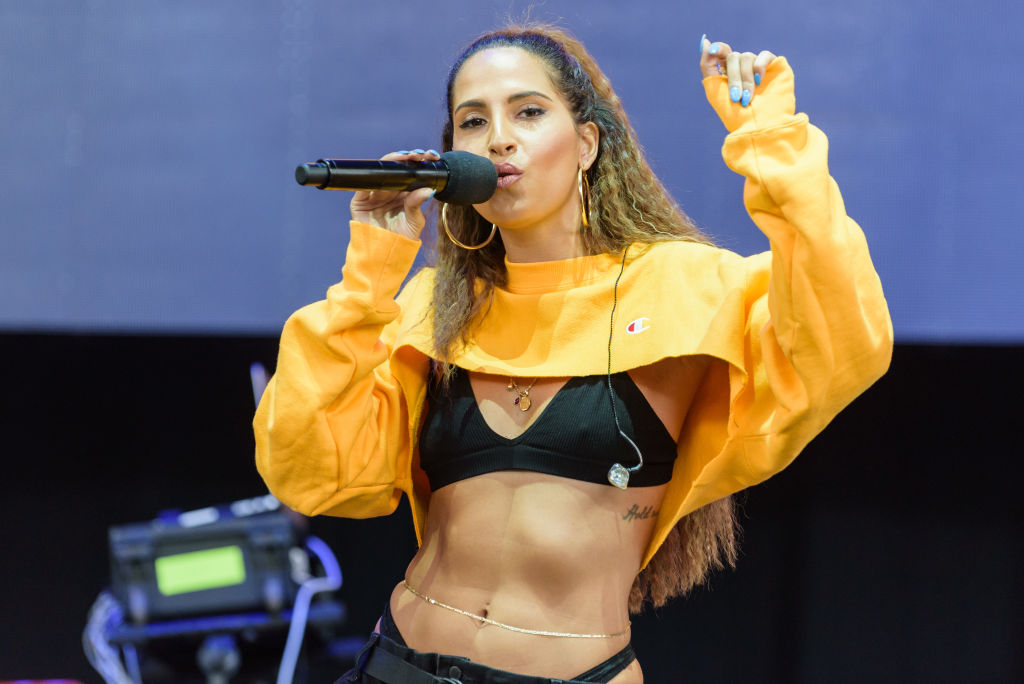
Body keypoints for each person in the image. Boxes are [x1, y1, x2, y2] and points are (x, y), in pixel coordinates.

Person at [254, 24, 892, 684]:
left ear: (587, 143)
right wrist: (371, 268)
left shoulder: (681, 286)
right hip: (397, 665)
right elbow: (305, 471)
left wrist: (771, 143)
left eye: (528, 112)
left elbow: (844, 334)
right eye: (472, 122)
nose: (499, 136)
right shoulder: (433, 309)